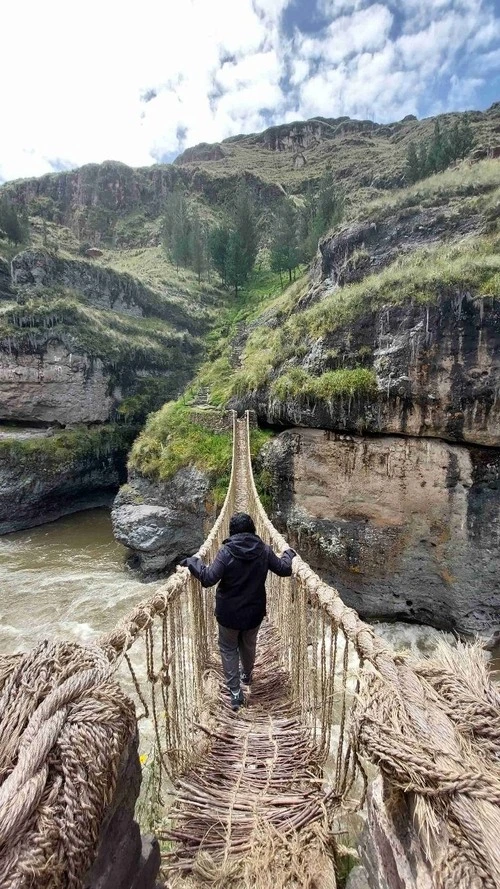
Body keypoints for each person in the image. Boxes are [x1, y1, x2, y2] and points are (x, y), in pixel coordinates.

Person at [181, 512, 296, 711]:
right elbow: (285, 569)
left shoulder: (226, 552)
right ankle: (247, 675)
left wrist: (193, 562)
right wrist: (288, 553)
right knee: (249, 644)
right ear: (253, 530)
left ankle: (235, 692)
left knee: (228, 648)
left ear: (231, 532)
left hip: (228, 614)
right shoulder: (264, 550)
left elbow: (208, 579)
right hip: (254, 612)